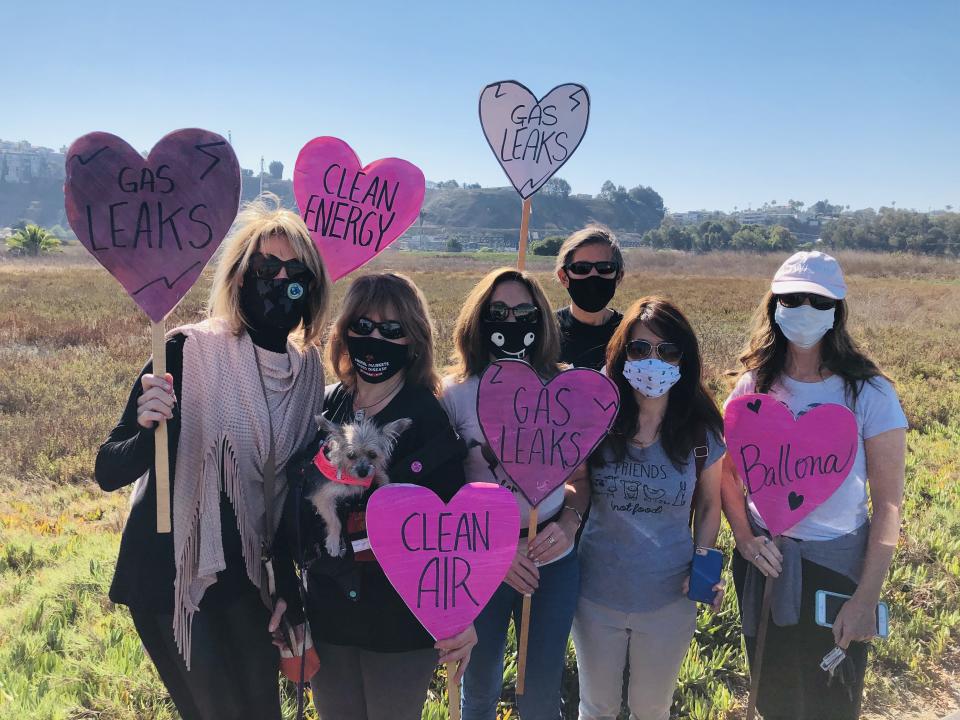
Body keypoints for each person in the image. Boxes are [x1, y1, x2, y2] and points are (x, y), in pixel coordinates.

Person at [94, 195, 331, 720]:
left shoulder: (309, 375)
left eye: (295, 271)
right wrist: (153, 428)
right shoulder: (185, 350)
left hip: (249, 579)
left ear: (311, 288)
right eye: (265, 267)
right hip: (171, 575)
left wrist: (289, 582)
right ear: (240, 275)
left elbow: (293, 492)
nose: (279, 279)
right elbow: (108, 468)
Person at [277, 272, 477, 720]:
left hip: (400, 621)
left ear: (414, 340)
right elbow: (294, 504)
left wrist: (460, 612)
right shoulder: (327, 407)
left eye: (392, 331)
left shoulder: (428, 420)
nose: (374, 340)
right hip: (327, 612)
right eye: (362, 327)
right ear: (344, 331)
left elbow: (452, 530)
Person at [721, 251, 907, 720]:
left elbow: (888, 506)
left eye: (818, 300)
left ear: (837, 311)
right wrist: (744, 537)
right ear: (774, 305)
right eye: (792, 298)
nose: (804, 309)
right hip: (767, 564)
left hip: (836, 570)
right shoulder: (753, 388)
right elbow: (727, 474)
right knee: (773, 696)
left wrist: (866, 598)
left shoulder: (869, 393)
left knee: (832, 701)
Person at [441, 267, 590, 720]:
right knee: (480, 686)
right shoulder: (455, 393)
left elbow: (582, 480)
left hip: (553, 558)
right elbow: (446, 490)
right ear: (478, 319)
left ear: (541, 317)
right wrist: (497, 553)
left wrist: (569, 524)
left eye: (524, 311)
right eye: (498, 311)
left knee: (541, 693)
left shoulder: (565, 388)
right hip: (482, 558)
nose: (511, 320)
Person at [572, 296, 726, 720]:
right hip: (594, 591)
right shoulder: (597, 421)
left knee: (651, 709)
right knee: (597, 706)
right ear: (621, 355)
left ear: (684, 360)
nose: (652, 361)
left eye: (667, 351)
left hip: (668, 598)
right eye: (639, 349)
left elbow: (712, 504)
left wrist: (704, 563)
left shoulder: (700, 430)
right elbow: (575, 485)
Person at [555, 225, 625, 370]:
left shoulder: (631, 332)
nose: (593, 276)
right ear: (564, 277)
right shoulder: (546, 331)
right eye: (581, 268)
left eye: (605, 267)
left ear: (618, 276)